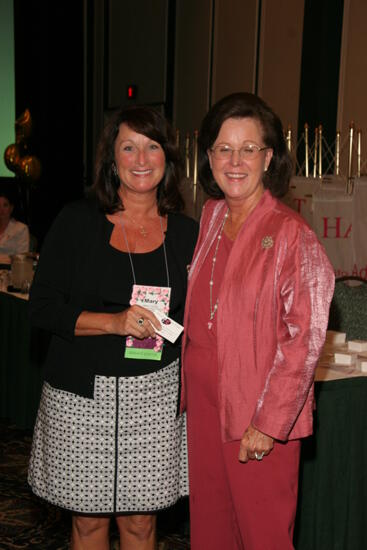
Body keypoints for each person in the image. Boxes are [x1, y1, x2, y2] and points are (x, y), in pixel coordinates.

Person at [28, 105, 198, 550]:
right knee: (87, 525)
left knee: (142, 525)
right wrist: (115, 321)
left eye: (152, 146)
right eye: (128, 147)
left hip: (156, 397)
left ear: (168, 159)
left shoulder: (187, 233)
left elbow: (202, 313)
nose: (141, 159)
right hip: (80, 398)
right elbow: (42, 308)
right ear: (112, 160)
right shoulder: (76, 222)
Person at [181, 92, 335, 550]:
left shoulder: (292, 234)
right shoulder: (210, 216)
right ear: (208, 157)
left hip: (256, 412)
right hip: (205, 407)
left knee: (262, 536)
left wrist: (268, 423)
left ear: (268, 157)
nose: (235, 160)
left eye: (248, 148)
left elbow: (304, 341)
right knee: (210, 530)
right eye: (223, 149)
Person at [0, 187, 29, 260]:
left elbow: (22, 256)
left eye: (5, 205)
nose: (1, 209)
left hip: (11, 269)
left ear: (11, 208)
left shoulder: (21, 228)